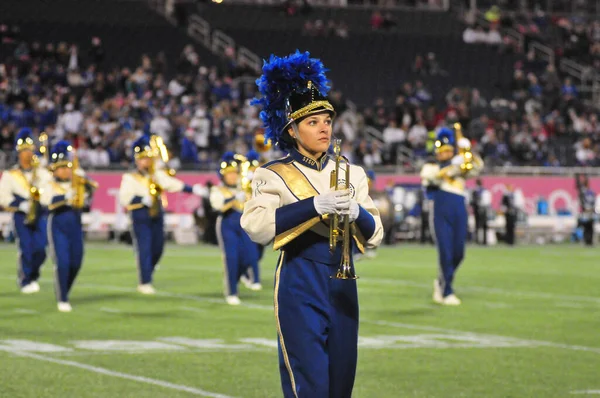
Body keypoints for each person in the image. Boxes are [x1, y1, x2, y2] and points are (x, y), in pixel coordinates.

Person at [241, 51, 383, 398]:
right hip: (300, 280)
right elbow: (256, 226)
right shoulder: (272, 173)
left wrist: (357, 214)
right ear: (292, 129)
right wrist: (314, 206)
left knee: (340, 387)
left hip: (344, 284)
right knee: (310, 386)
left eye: (327, 120)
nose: (323, 128)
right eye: (312, 122)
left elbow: (376, 234)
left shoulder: (352, 172)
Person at [119, 134, 206, 294]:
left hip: (156, 211)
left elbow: (171, 183)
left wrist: (192, 189)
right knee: (144, 247)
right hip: (139, 213)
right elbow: (124, 197)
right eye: (143, 158)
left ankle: (148, 272)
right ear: (137, 160)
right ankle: (144, 282)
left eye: (148, 158)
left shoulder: (156, 175)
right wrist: (140, 198)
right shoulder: (130, 178)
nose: (147, 161)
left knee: (158, 247)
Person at [420, 127, 483, 305]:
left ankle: (441, 281)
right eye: (443, 151)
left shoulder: (459, 165)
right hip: (441, 209)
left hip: (459, 208)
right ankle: (447, 290)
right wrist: (452, 167)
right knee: (445, 251)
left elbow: (477, 167)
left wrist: (467, 150)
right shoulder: (432, 165)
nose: (446, 154)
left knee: (459, 253)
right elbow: (429, 178)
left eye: (449, 151)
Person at [41, 141, 97, 312]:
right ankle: (62, 297)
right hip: (58, 224)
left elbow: (90, 193)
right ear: (55, 169)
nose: (65, 170)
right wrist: (66, 196)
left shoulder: (76, 182)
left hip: (75, 225)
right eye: (61, 167)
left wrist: (85, 183)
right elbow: (47, 202)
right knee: (63, 262)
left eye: (67, 167)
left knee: (76, 262)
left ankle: (65, 289)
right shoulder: (49, 184)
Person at [0, 128, 52, 294]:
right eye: (24, 151)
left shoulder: (42, 172)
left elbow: (50, 188)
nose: (27, 154)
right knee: (26, 247)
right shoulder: (10, 174)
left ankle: (34, 275)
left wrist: (40, 194)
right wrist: (18, 204)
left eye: (29, 150)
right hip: (21, 213)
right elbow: (3, 195)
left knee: (41, 249)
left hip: (39, 212)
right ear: (19, 153)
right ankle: (25, 279)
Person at [210, 151, 261, 305]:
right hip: (227, 224)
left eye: (234, 173)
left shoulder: (243, 187)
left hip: (244, 224)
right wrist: (233, 198)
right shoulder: (217, 190)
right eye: (229, 174)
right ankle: (232, 292)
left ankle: (241, 277)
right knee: (231, 258)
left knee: (251, 256)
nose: (232, 176)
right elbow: (218, 207)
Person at [239, 149, 264, 291]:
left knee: (259, 252)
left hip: (261, 216)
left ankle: (242, 271)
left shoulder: (262, 175)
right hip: (248, 216)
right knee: (252, 251)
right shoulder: (244, 177)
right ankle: (255, 279)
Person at [576, 175, 597, 246]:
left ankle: (590, 241)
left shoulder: (591, 192)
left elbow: (594, 201)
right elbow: (582, 201)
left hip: (591, 211)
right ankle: (586, 240)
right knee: (586, 226)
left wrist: (592, 208)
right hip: (585, 211)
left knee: (590, 226)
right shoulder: (583, 192)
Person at [471, 178, 491, 245]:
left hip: (480, 209)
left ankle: (480, 240)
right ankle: (482, 241)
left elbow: (473, 202)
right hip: (481, 209)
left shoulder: (479, 191)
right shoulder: (482, 191)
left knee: (479, 225)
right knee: (482, 225)